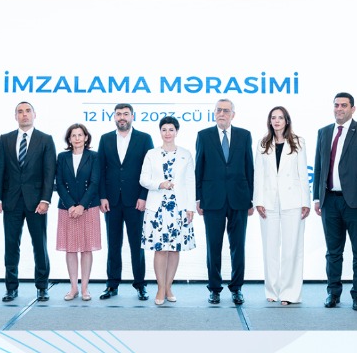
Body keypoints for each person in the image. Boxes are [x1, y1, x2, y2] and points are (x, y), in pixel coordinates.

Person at [313, 92, 357, 311]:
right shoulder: (324, 132)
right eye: (336, 105)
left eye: (344, 105)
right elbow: (318, 166)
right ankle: (333, 293)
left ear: (353, 108)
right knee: (333, 252)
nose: (339, 109)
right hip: (329, 201)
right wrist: (317, 197)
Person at [0, 102, 56, 302]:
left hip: (37, 202)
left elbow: (49, 173)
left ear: (34, 114)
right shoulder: (5, 139)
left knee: (39, 245)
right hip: (11, 201)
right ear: (15, 116)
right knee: (11, 245)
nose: (24, 115)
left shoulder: (45, 139)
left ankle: (42, 287)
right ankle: (11, 288)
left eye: (28, 111)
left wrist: (45, 199)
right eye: (20, 112)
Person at [195, 98, 254, 305]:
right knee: (213, 246)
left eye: (226, 111)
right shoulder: (203, 135)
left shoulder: (244, 135)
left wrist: (251, 198)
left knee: (238, 246)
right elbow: (199, 167)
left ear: (233, 115)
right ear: (214, 113)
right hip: (212, 199)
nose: (222, 113)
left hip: (239, 198)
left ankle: (237, 288)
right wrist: (198, 197)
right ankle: (214, 288)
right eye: (219, 110)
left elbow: (249, 167)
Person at [253, 106, 310, 306]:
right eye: (273, 117)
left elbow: (303, 173)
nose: (276, 121)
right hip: (268, 201)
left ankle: (290, 293)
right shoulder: (262, 143)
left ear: (287, 121)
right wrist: (258, 201)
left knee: (292, 249)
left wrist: (305, 201)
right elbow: (258, 174)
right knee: (270, 248)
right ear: (269, 121)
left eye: (280, 117)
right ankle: (272, 290)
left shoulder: (298, 142)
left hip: (293, 201)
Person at [97, 103, 154, 301]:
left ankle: (140, 285)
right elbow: (100, 170)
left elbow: (150, 170)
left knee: (137, 245)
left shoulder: (144, 138)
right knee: (113, 244)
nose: (122, 117)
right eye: (119, 114)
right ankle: (112, 285)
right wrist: (102, 196)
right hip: (111, 201)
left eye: (126, 114)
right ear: (114, 117)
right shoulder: (105, 139)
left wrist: (143, 196)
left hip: (135, 201)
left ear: (132, 117)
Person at [140, 116, 196, 305]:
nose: (167, 133)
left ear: (177, 132)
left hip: (179, 209)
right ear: (160, 132)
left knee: (174, 250)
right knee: (160, 249)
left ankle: (168, 287)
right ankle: (160, 288)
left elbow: (190, 182)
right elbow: (143, 179)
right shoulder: (151, 154)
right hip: (157, 208)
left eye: (171, 129)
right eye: (164, 129)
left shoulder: (186, 154)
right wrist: (160, 184)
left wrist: (190, 207)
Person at [55, 123, 101, 301]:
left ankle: (85, 288)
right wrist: (70, 205)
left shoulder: (94, 156)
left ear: (86, 137)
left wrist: (82, 205)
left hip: (88, 208)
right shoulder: (62, 157)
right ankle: (73, 287)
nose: (77, 138)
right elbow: (59, 183)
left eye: (80, 135)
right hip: (67, 209)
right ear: (69, 139)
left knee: (87, 249)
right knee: (71, 249)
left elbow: (95, 183)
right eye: (73, 135)